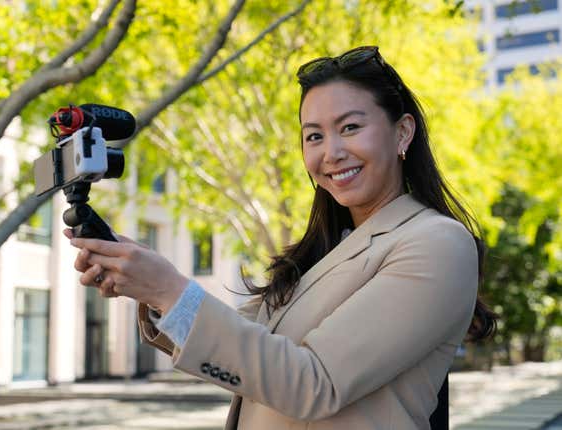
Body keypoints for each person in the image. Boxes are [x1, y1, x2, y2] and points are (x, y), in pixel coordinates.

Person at [68, 45, 497, 429]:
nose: (331, 152)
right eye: (314, 136)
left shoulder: (437, 243)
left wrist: (168, 287)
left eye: (350, 127)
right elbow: (252, 356)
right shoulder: (327, 252)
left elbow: (315, 383)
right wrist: (148, 284)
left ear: (402, 132)